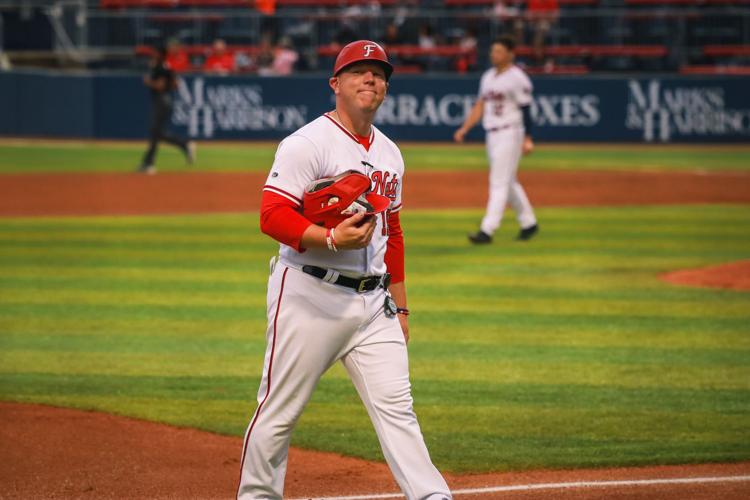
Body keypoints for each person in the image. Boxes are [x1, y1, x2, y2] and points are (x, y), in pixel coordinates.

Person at [236, 40, 452, 500]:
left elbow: (393, 232)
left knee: (398, 409)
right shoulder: (307, 143)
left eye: (379, 73)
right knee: (279, 412)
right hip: (309, 294)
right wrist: (329, 239)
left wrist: (405, 308)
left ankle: (433, 496)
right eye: (359, 71)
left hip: (375, 304)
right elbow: (272, 215)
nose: (371, 78)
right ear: (336, 84)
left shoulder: (391, 153)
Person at [453, 35, 539, 243]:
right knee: (507, 181)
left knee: (498, 181)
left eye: (499, 51)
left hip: (511, 132)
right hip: (492, 133)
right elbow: (480, 105)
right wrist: (465, 128)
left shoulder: (518, 77)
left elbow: (527, 110)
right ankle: (529, 223)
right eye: (493, 51)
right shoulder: (488, 76)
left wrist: (528, 137)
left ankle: (487, 230)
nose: (494, 54)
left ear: (510, 54)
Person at [138, 46, 195, 174]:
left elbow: (160, 85)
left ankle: (149, 164)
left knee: (156, 132)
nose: (153, 55)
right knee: (157, 132)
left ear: (160, 54)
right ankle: (149, 162)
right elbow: (176, 84)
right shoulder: (166, 66)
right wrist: (168, 87)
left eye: (155, 53)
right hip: (166, 100)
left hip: (161, 101)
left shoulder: (160, 68)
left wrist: (148, 82)